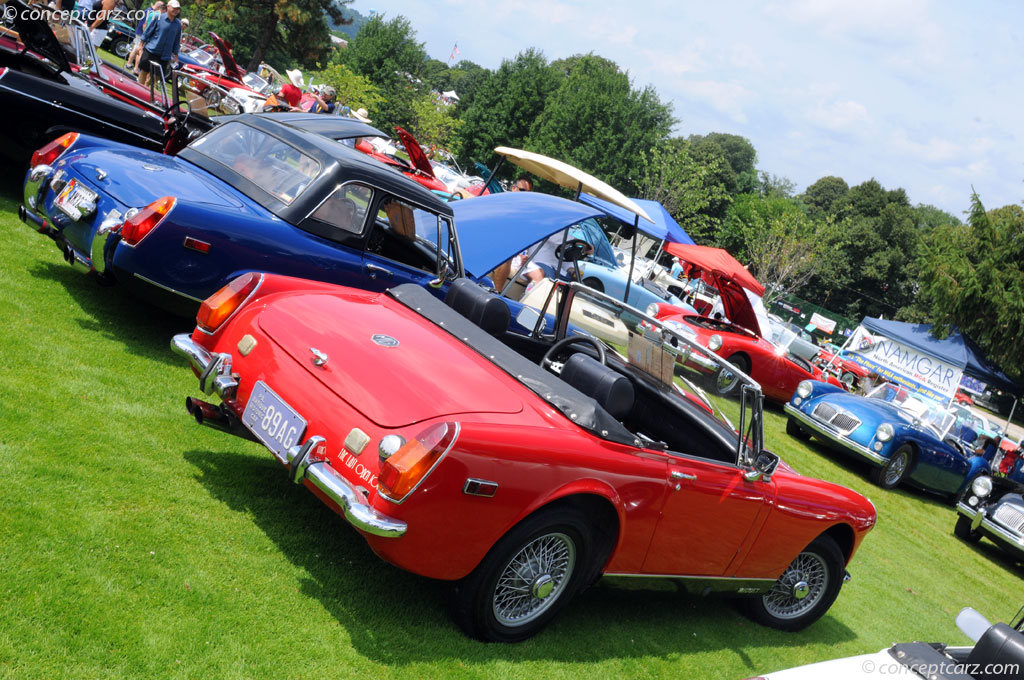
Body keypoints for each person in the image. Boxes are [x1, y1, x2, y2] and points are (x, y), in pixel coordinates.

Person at [138, 0, 181, 88]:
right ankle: (139, 88)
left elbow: (177, 40)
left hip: (165, 55)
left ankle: (146, 87)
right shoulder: (158, 17)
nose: (176, 10)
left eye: (178, 9)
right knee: (144, 71)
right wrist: (141, 44)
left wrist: (176, 54)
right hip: (151, 50)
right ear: (168, 7)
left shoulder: (178, 24)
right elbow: (148, 31)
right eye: (174, 8)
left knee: (157, 76)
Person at [128, 1, 163, 76]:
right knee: (139, 50)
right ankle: (136, 68)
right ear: (159, 7)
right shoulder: (151, 12)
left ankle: (129, 64)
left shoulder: (149, 11)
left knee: (136, 48)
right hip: (142, 33)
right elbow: (145, 24)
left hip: (140, 32)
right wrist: (145, 36)